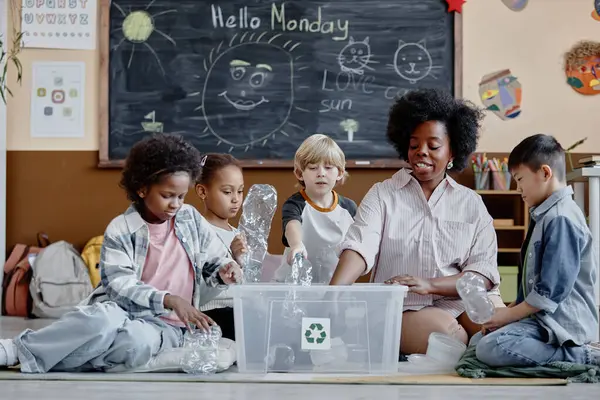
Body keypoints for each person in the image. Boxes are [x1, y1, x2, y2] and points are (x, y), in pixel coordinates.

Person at [0, 134, 242, 373]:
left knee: (138, 344)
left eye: (181, 196)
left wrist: (224, 271)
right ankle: (17, 350)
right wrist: (169, 299)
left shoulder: (190, 218)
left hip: (167, 325)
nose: (175, 204)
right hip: (120, 311)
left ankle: (32, 355)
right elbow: (119, 285)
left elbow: (213, 263)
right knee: (102, 321)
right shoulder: (121, 228)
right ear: (142, 189)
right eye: (167, 196)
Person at [329, 88, 503, 355]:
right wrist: (334, 294)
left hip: (466, 300)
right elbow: (359, 247)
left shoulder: (471, 203)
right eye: (413, 145)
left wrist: (430, 284)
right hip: (404, 307)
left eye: (433, 146)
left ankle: (484, 346)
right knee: (449, 339)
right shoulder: (383, 194)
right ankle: (477, 349)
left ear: (453, 151)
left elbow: (483, 273)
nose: (421, 152)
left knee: (504, 335)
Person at [474, 134, 600, 367]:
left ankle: (584, 356)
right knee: (478, 341)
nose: (518, 188)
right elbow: (532, 287)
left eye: (520, 179)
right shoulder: (544, 215)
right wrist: (504, 315)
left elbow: (548, 294)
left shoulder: (561, 218)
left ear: (545, 173)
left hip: (562, 325)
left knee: (491, 347)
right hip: (541, 320)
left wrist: (507, 316)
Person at [272, 134, 357, 284]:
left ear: (340, 173)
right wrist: (297, 245)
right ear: (299, 173)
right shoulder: (295, 204)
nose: (321, 173)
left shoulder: (348, 208)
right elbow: (292, 225)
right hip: (293, 285)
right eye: (313, 168)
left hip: (333, 287)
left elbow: (357, 241)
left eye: (328, 167)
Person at [195, 153, 247, 341]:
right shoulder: (197, 230)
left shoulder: (237, 234)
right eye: (227, 192)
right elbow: (194, 286)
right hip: (210, 313)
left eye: (240, 191)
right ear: (202, 192)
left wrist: (242, 261)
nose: (235, 199)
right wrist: (231, 259)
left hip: (237, 309)